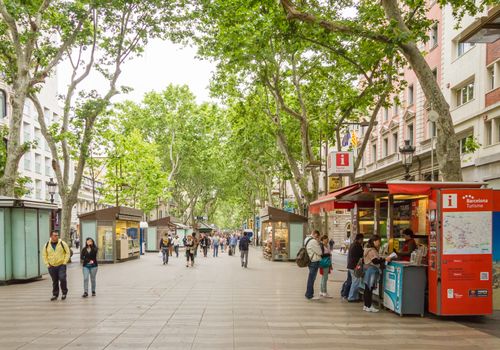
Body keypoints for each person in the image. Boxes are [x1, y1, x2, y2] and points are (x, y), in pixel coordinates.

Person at [363, 235, 391, 312]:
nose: (379, 243)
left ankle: (366, 305)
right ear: (374, 241)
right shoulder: (372, 250)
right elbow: (375, 261)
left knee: (367, 288)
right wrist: (385, 259)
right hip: (371, 270)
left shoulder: (368, 249)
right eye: (378, 241)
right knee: (369, 288)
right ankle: (369, 306)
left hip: (368, 270)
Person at [42, 231, 71, 301]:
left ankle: (64, 292)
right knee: (54, 281)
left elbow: (68, 252)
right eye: (55, 235)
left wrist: (64, 262)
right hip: (51, 266)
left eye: (57, 235)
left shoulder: (62, 243)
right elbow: (44, 255)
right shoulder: (46, 245)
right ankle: (55, 294)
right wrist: (47, 264)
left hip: (61, 265)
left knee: (62, 278)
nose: (56, 236)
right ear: (51, 236)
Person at [304, 230, 322, 300]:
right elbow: (320, 252)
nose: (317, 238)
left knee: (311, 278)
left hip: (310, 260)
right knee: (312, 278)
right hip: (314, 261)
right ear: (314, 234)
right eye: (317, 236)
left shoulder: (306, 239)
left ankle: (309, 293)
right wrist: (318, 242)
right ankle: (309, 295)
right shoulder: (313, 241)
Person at [347, 233, 364, 302]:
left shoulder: (352, 244)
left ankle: (355, 297)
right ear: (360, 239)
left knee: (355, 281)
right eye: (362, 239)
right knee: (356, 282)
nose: (362, 241)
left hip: (351, 265)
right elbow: (362, 254)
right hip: (354, 266)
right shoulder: (358, 246)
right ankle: (351, 297)